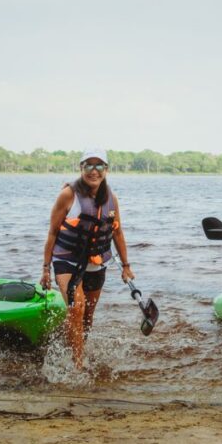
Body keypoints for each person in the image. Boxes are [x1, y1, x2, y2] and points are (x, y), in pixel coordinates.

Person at [41, 148, 135, 367]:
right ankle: (77, 365)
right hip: (67, 260)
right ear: (81, 168)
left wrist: (126, 266)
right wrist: (46, 269)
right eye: (89, 165)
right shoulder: (68, 195)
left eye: (99, 165)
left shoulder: (112, 198)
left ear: (106, 169)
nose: (94, 171)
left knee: (87, 317)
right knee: (77, 309)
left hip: (96, 263)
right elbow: (53, 233)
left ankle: (73, 345)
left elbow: (117, 232)